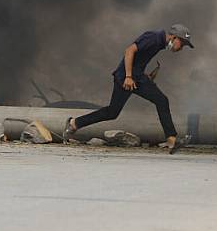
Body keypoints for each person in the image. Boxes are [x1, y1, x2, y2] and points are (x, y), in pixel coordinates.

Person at [64, 24, 194, 153]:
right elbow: (129, 51)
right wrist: (128, 76)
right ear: (174, 37)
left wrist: (144, 76)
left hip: (137, 77)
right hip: (126, 78)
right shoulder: (153, 38)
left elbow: (138, 59)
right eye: (182, 44)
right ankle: (74, 123)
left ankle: (171, 140)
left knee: (161, 100)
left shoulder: (159, 43)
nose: (181, 48)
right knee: (112, 112)